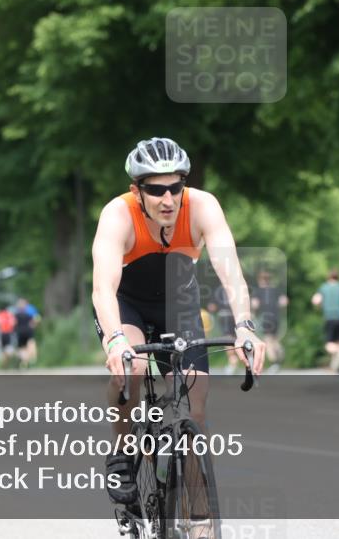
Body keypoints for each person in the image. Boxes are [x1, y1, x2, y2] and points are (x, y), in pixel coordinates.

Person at [91, 137, 264, 510]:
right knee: (133, 367)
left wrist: (246, 326)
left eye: (175, 187)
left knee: (195, 410)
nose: (167, 199)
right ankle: (122, 453)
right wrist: (116, 341)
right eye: (155, 190)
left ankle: (199, 515)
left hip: (178, 305)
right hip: (127, 305)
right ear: (136, 191)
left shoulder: (203, 207)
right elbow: (103, 288)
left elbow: (231, 274)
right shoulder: (117, 215)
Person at [252, 269, 289, 373]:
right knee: (275, 339)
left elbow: (255, 304)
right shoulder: (276, 290)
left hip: (266, 318)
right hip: (275, 317)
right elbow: (284, 301)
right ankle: (280, 351)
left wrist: (253, 313)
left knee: (267, 340)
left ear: (260, 280)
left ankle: (274, 363)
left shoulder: (257, 291)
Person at [312, 269, 339, 374]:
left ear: (328, 277)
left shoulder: (324, 287)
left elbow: (316, 300)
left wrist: (319, 306)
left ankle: (335, 353)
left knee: (329, 344)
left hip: (330, 318)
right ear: (338, 277)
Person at [207, 281, 240, 374]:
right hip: (235, 316)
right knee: (235, 338)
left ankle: (233, 361)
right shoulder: (236, 288)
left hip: (224, 315)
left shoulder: (218, 289)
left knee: (228, 339)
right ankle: (238, 360)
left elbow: (212, 306)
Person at [14, 298, 41, 368]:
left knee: (25, 346)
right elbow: (37, 318)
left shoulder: (29, 309)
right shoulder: (26, 311)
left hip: (22, 331)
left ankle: (27, 360)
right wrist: (33, 325)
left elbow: (14, 323)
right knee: (29, 344)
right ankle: (28, 360)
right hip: (27, 330)